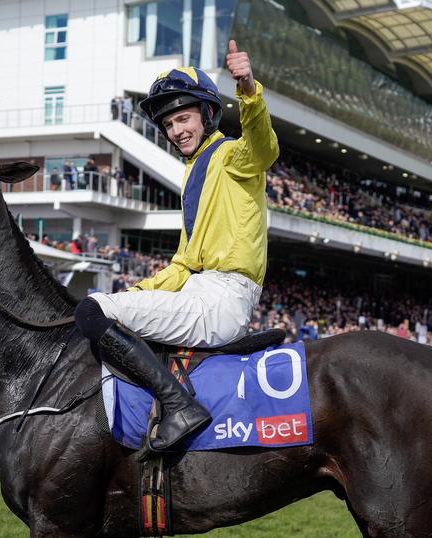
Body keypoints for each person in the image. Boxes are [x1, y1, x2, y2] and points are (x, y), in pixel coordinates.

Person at [72, 42, 279, 454]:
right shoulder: (193, 172)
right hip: (199, 289)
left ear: (207, 114)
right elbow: (183, 264)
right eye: (168, 124)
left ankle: (178, 406)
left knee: (91, 310)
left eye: (183, 118)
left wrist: (249, 90)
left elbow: (263, 147)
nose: (176, 130)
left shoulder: (230, 155)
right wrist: (134, 293)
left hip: (222, 296)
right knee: (107, 305)